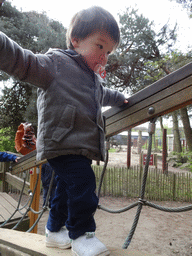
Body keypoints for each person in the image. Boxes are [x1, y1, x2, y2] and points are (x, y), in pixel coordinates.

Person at [0, 5, 128, 256]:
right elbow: (24, 62)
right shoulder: (57, 63)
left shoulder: (94, 80)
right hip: (61, 141)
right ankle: (81, 235)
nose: (104, 56)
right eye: (100, 46)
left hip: (80, 146)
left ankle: (54, 231)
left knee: (64, 189)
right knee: (83, 185)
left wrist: (121, 98)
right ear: (76, 40)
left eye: (109, 52)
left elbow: (104, 95)